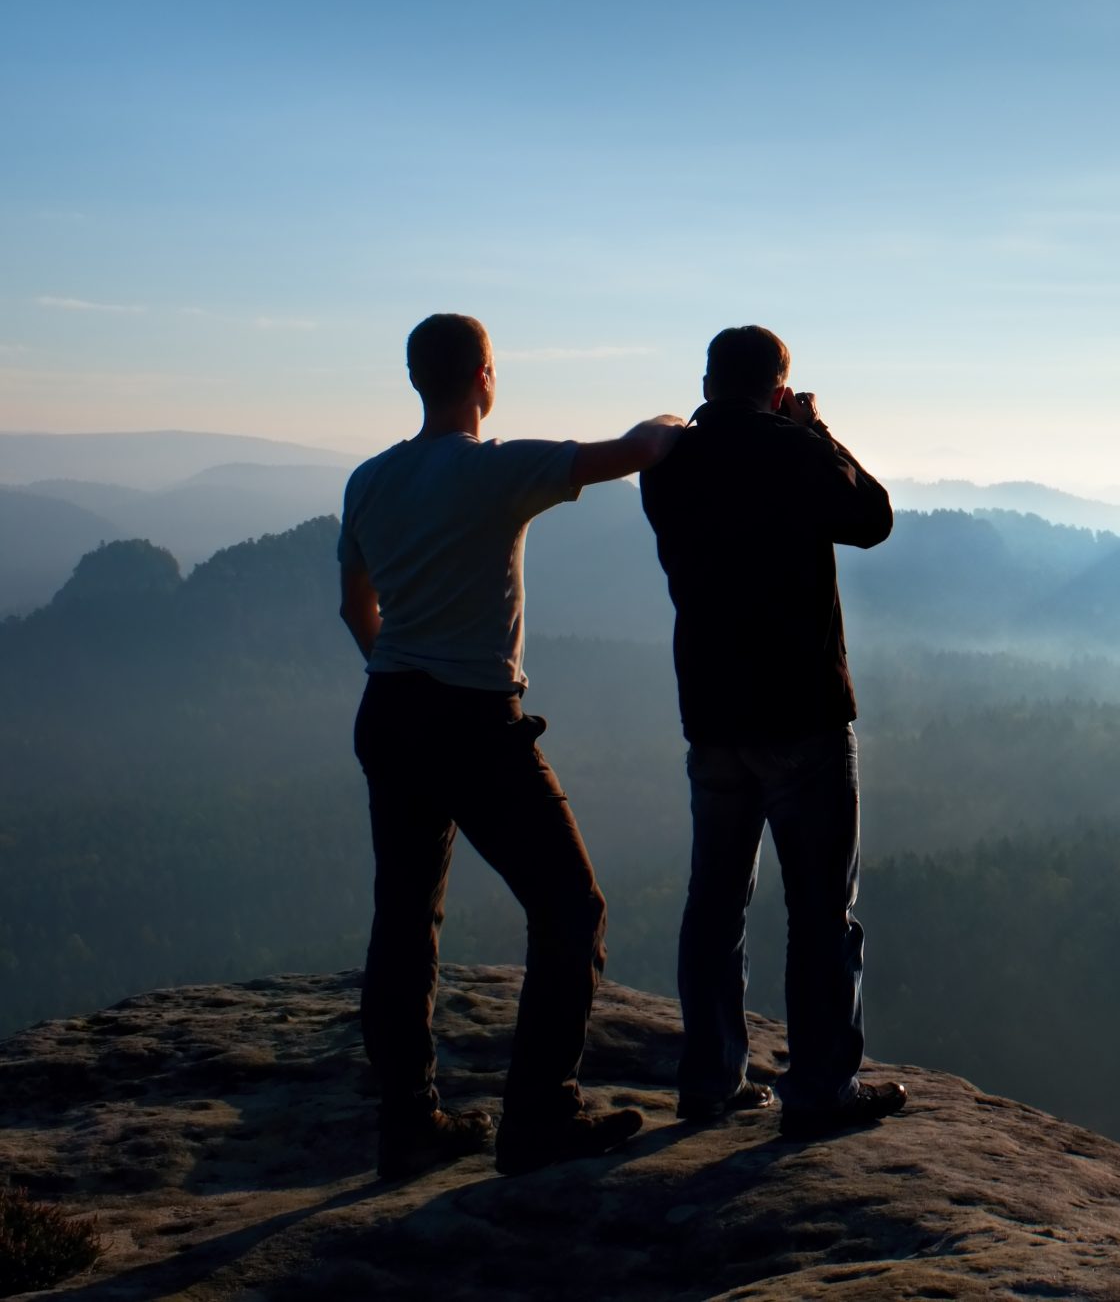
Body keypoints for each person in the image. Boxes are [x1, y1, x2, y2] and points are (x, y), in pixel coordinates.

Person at [338, 312, 685, 1180]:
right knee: (571, 907)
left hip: (390, 709)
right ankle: (539, 1116)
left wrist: (397, 668)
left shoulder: (369, 480)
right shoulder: (496, 469)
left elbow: (355, 605)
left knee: (403, 918)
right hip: (474, 721)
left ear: (416, 378)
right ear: (484, 377)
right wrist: (681, 419)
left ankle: (407, 1121)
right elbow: (637, 450)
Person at [638, 324, 904, 1138]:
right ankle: (820, 1088)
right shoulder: (794, 451)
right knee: (820, 910)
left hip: (713, 714)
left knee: (714, 904)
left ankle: (711, 1078)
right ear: (780, 389)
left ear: (707, 381)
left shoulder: (669, 464)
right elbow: (873, 517)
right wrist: (816, 430)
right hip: (802, 714)